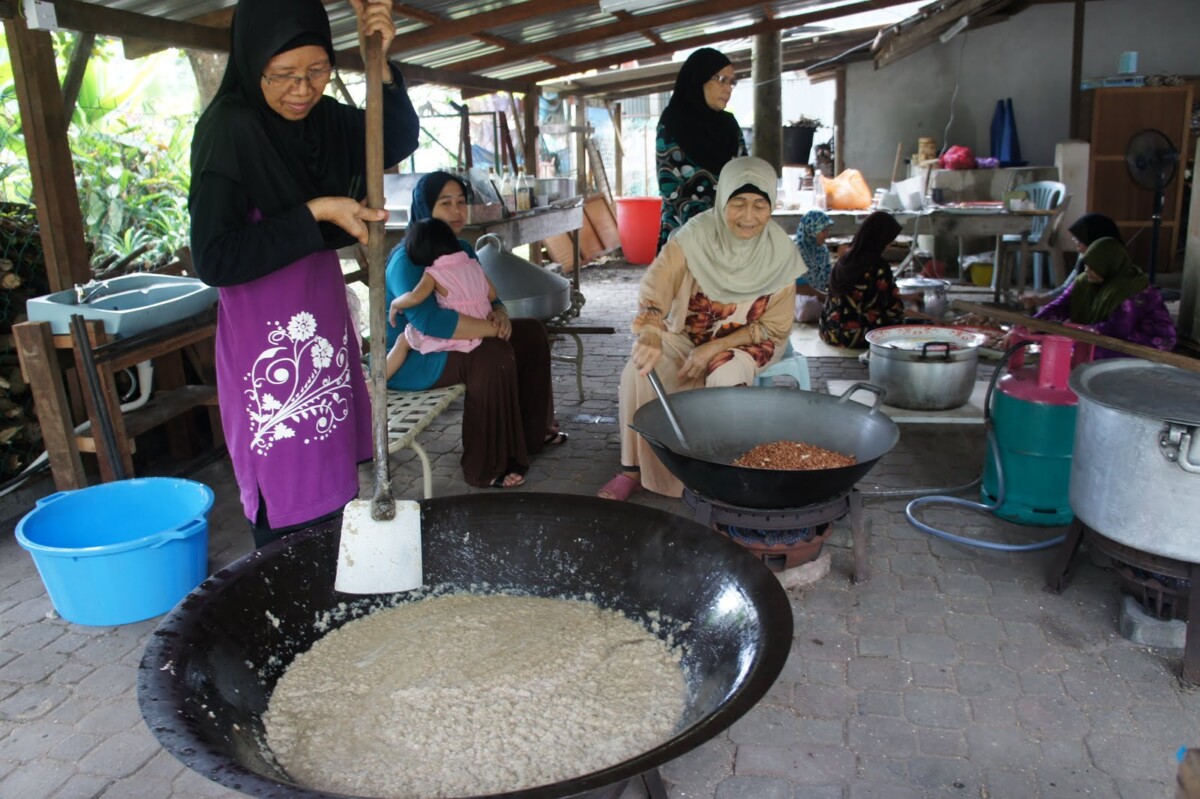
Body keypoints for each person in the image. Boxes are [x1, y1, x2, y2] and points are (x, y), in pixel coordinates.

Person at [189, 0, 419, 548]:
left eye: (317, 71)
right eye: (284, 74)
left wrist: (380, 63)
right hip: (264, 346)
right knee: (287, 501)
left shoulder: (322, 119)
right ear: (252, 62)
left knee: (333, 492)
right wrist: (314, 213)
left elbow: (393, 138)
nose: (302, 89)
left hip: (320, 329)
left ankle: (334, 584)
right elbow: (214, 258)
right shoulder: (228, 129)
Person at [598, 157, 805, 501]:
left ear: (772, 206)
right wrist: (650, 330)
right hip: (688, 334)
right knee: (639, 371)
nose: (748, 216)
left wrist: (713, 349)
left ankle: (720, 476)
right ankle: (633, 470)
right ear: (722, 200)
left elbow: (773, 326)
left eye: (759, 205)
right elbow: (658, 282)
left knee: (723, 372)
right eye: (738, 203)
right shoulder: (694, 236)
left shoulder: (781, 253)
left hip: (751, 339)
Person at [384, 172, 564, 490]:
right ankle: (485, 466)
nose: (457, 211)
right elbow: (429, 321)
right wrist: (492, 331)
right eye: (445, 203)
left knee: (530, 334)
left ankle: (534, 434)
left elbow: (488, 294)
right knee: (492, 355)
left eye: (461, 202)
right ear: (425, 207)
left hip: (459, 341)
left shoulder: (463, 249)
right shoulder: (407, 258)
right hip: (415, 356)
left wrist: (501, 315)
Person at [655, 47, 748, 253]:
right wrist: (712, 222)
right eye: (722, 80)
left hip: (729, 234)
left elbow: (743, 174)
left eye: (732, 82)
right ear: (699, 79)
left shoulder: (730, 126)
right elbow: (670, 188)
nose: (728, 89)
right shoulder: (672, 123)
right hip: (685, 235)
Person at [385, 218, 498, 377]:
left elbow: (415, 298)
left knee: (403, 340)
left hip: (460, 331)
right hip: (483, 322)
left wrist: (396, 304)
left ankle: (376, 382)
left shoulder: (434, 273)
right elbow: (492, 295)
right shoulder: (472, 263)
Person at [1031, 237, 1176, 358]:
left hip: (1146, 339)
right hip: (1110, 335)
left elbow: (1117, 330)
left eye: (1094, 266)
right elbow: (1061, 305)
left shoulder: (1131, 290)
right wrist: (1036, 323)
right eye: (1087, 265)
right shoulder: (1084, 282)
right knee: (1070, 346)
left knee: (1085, 352)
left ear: (1108, 265)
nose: (1087, 270)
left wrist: (1071, 331)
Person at [817, 211, 906, 349]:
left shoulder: (846, 257)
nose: (890, 245)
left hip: (829, 331)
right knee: (903, 326)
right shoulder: (878, 267)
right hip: (855, 335)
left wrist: (908, 297)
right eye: (889, 240)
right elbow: (894, 309)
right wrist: (927, 318)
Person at [1020, 212, 1123, 310]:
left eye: (1079, 239)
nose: (1075, 241)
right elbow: (1067, 289)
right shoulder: (1084, 257)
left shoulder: (1113, 266)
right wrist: (1040, 299)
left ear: (1093, 240)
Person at [792, 210, 834, 323]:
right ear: (810, 230)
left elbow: (828, 277)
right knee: (807, 306)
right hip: (797, 296)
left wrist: (830, 294)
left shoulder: (822, 250)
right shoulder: (795, 251)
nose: (827, 234)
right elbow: (795, 286)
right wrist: (820, 295)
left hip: (819, 295)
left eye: (828, 230)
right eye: (823, 230)